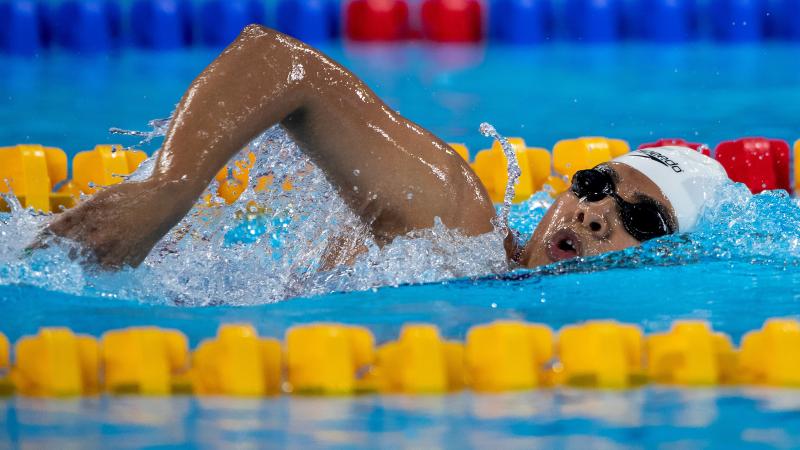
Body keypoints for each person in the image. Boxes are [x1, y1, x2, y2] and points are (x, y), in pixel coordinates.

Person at [37, 25, 730, 269]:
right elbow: (281, 61)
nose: (593, 214)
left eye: (642, 221)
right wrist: (171, 183)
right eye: (595, 183)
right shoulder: (459, 225)